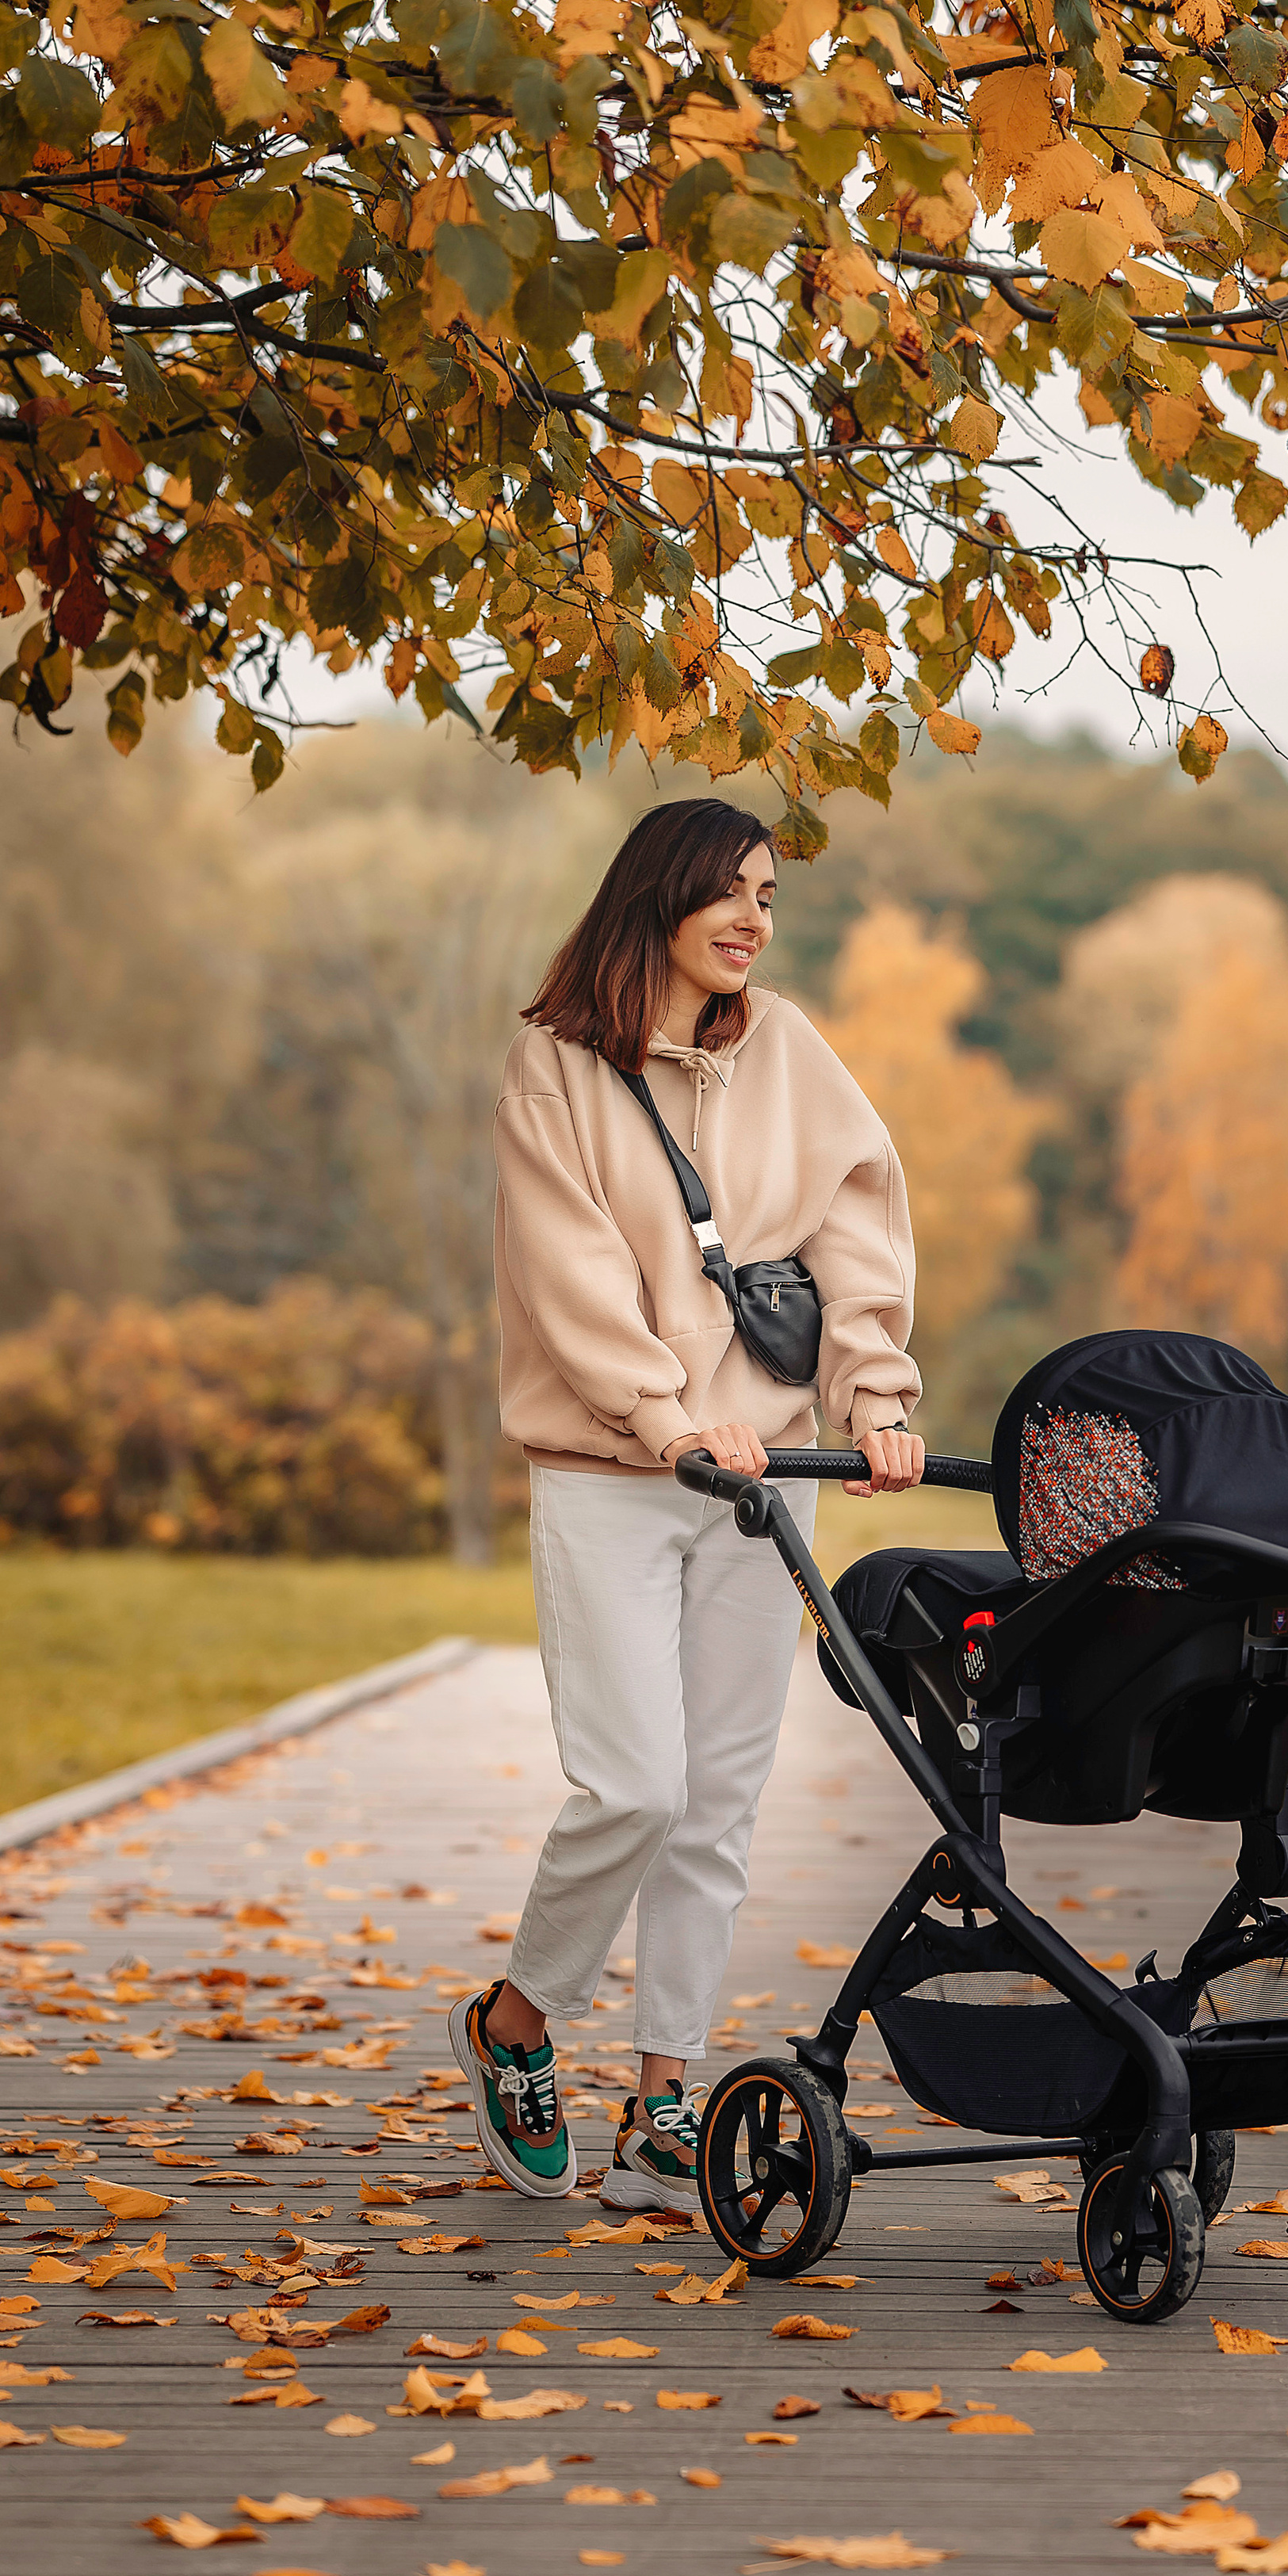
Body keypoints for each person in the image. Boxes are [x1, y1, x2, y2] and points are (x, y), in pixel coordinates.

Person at [450, 796, 926, 2210]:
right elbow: (573, 1284)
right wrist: (670, 1422)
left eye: (770, 898)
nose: (752, 921)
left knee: (717, 1799)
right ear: (655, 896)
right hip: (613, 1472)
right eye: (728, 891)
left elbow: (856, 1227)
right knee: (636, 1785)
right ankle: (517, 2024)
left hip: (769, 1479)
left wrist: (878, 1401)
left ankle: (665, 2104)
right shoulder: (553, 1070)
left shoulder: (789, 1049)